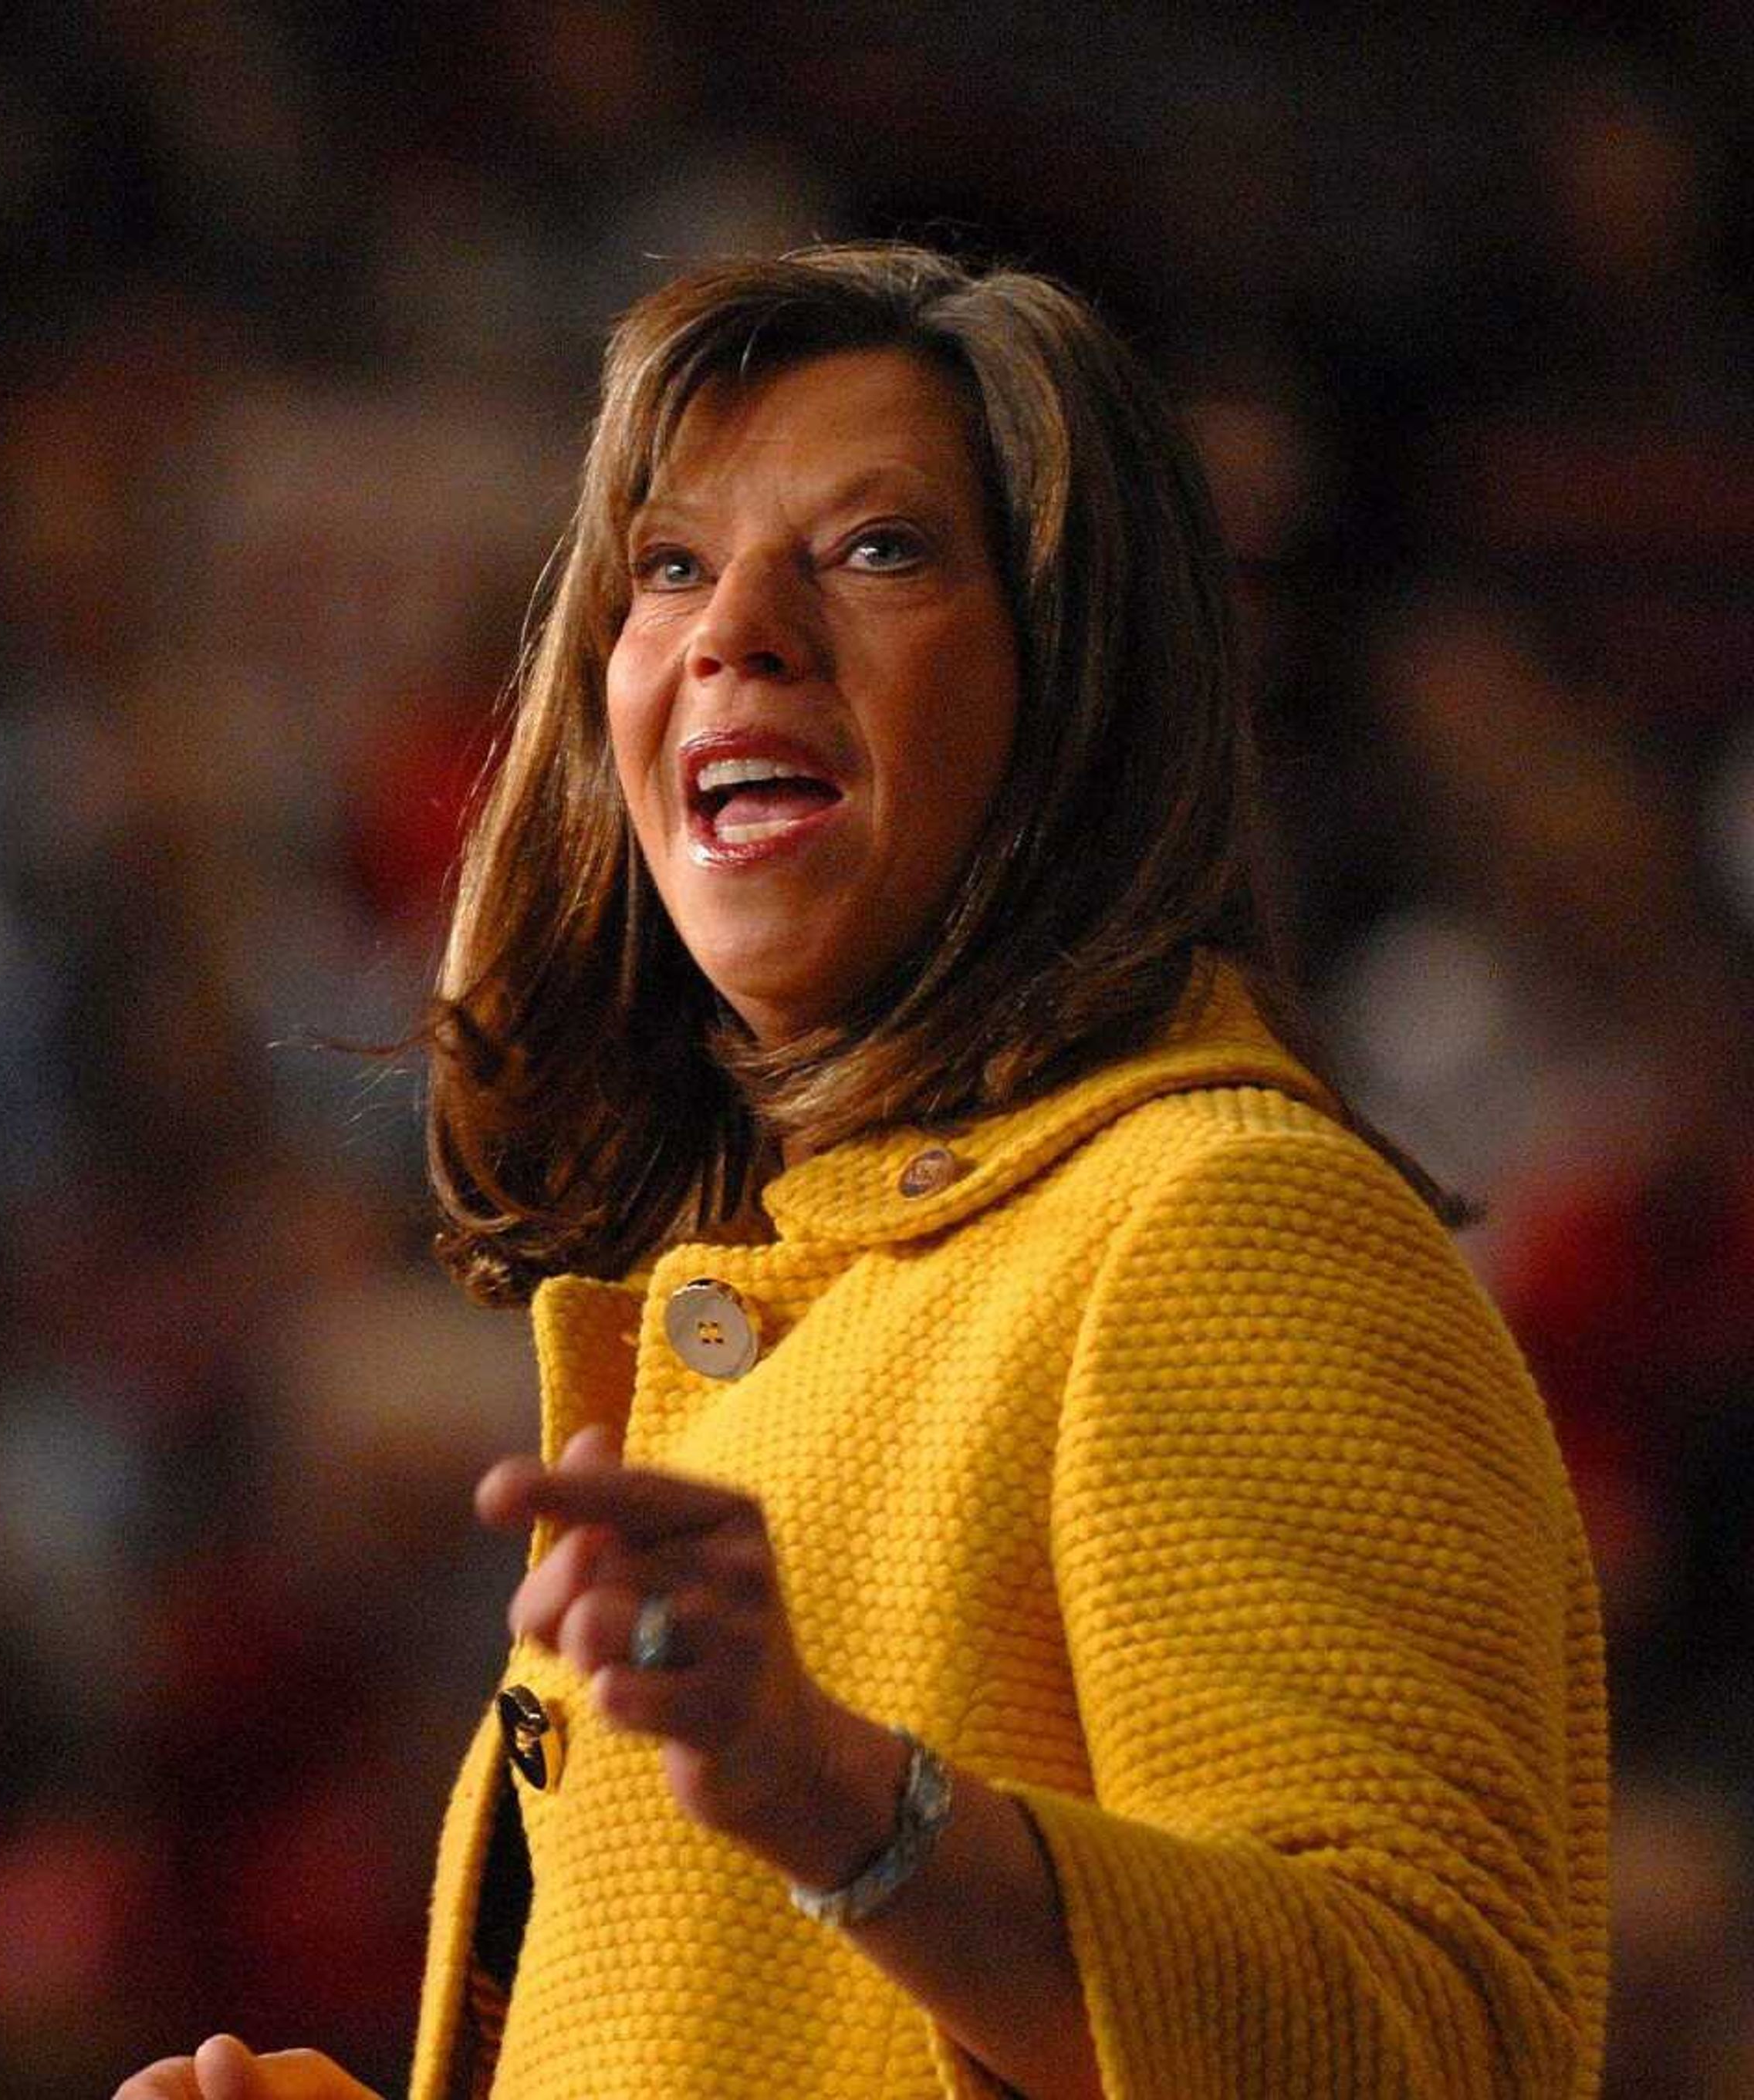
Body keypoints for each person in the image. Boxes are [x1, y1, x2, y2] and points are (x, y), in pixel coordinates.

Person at [117, 242, 1607, 2100]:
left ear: (1076, 683)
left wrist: (851, 1804)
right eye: (670, 565)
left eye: (879, 549)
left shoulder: (1223, 1221)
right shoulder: (769, 1310)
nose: (737, 625)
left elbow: (1430, 2045)